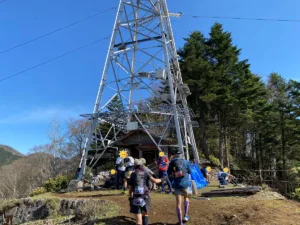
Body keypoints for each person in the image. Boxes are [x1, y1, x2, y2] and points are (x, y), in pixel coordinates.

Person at [128, 158, 164, 225]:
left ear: (134, 166)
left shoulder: (133, 174)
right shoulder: (146, 172)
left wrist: (130, 198)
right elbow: (155, 181)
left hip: (136, 197)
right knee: (145, 214)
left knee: (138, 222)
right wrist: (163, 179)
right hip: (145, 196)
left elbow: (130, 189)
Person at [167, 149, 192, 225]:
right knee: (186, 198)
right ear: (182, 154)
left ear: (175, 154)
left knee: (178, 203)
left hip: (177, 184)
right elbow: (190, 172)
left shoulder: (172, 162)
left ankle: (181, 222)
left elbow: (168, 173)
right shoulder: (186, 162)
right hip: (186, 184)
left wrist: (174, 174)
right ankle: (186, 216)